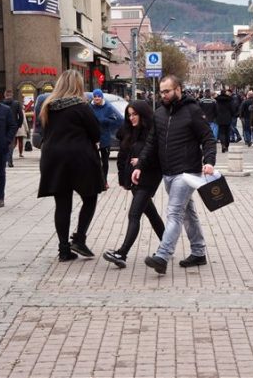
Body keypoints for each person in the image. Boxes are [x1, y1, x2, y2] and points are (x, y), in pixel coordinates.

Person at [132, 74, 216, 275]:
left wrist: (209, 161)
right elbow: (151, 143)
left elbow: (208, 138)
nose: (164, 95)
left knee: (174, 212)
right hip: (168, 172)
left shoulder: (193, 111)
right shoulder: (159, 113)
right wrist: (140, 165)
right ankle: (199, 252)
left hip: (187, 172)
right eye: (161, 92)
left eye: (167, 91)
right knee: (187, 212)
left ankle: (162, 256)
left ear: (178, 89)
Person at [38, 70, 104, 262]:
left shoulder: (47, 106)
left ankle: (64, 250)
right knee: (90, 197)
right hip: (79, 157)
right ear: (78, 85)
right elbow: (96, 133)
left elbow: (44, 132)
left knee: (62, 204)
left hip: (53, 158)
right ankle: (79, 239)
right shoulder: (81, 106)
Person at [103, 101, 165, 268]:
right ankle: (167, 245)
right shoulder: (129, 131)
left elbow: (159, 156)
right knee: (151, 213)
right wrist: (123, 178)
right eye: (129, 115)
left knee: (134, 214)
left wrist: (142, 161)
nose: (131, 118)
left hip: (149, 177)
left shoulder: (153, 131)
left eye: (134, 114)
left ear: (143, 115)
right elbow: (123, 156)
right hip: (134, 178)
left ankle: (122, 253)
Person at [90, 89, 123, 190]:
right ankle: (96, 181)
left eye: (99, 96)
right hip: (93, 138)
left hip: (105, 138)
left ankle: (104, 181)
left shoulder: (108, 107)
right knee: (94, 161)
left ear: (102, 97)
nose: (97, 98)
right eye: (95, 97)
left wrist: (104, 121)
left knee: (105, 161)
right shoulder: (89, 107)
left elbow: (117, 120)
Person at [1, 88, 25, 167]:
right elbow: (21, 116)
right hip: (13, 126)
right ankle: (10, 161)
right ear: (12, 95)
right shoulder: (16, 103)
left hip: (3, 126)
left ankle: (4, 160)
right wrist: (19, 125)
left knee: (3, 143)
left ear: (5, 95)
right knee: (11, 143)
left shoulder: (1, 103)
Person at [215, 88, 235, 153]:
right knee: (227, 132)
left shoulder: (217, 100)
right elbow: (232, 109)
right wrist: (232, 115)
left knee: (221, 132)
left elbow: (215, 109)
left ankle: (223, 144)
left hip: (220, 118)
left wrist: (216, 116)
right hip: (228, 117)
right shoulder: (229, 100)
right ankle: (226, 145)